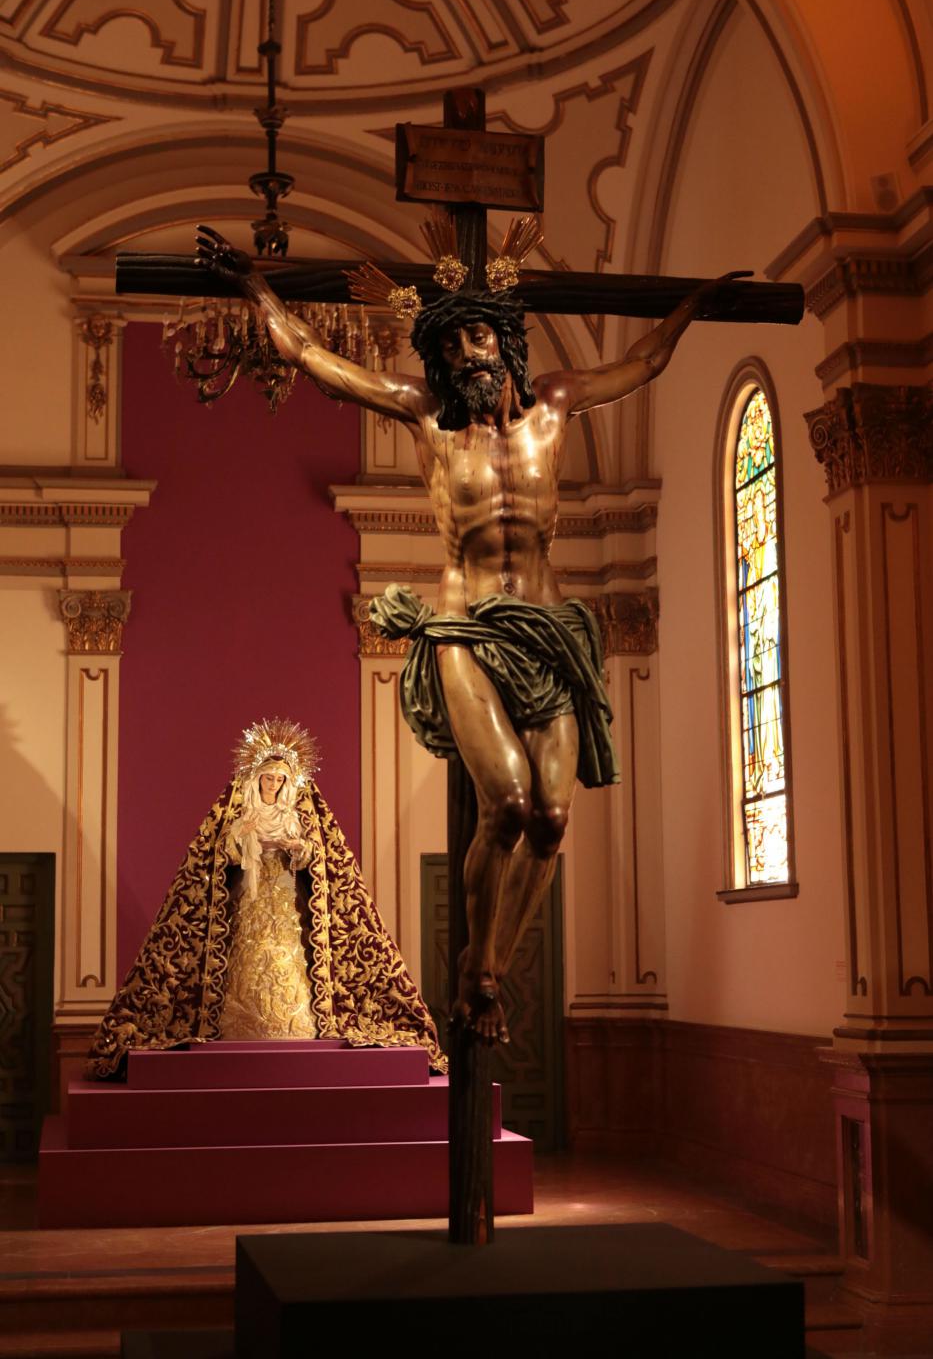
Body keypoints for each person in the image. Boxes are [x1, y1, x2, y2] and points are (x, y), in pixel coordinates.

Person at [194, 223, 748, 1045]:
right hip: (464, 626)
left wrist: (695, 304)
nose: (464, 353)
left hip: (550, 632)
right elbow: (317, 360)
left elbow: (644, 364)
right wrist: (255, 288)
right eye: (449, 342)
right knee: (510, 805)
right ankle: (477, 968)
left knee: (553, 820)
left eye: (477, 334)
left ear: (507, 341)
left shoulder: (555, 407)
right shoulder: (428, 418)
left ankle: (489, 966)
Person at [88, 718, 445, 1077]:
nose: (274, 783)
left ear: (290, 783)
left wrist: (296, 847)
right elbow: (219, 857)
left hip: (287, 898)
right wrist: (243, 839)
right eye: (268, 777)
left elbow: (316, 859)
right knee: (247, 952)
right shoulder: (240, 814)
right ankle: (238, 1024)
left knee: (288, 956)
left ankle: (297, 1021)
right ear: (256, 778)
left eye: (280, 779)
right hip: (249, 896)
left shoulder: (296, 816)